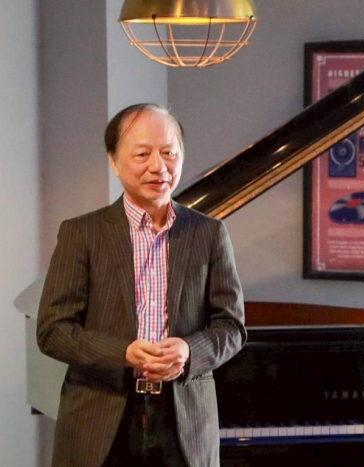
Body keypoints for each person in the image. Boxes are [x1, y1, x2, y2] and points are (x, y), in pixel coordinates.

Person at [37, 103, 246, 467]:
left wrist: (188, 350)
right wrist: (124, 353)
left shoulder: (209, 233)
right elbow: (53, 330)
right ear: (114, 162)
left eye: (169, 153)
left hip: (183, 421)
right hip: (101, 418)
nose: (158, 166)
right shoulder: (81, 233)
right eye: (142, 154)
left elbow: (232, 327)